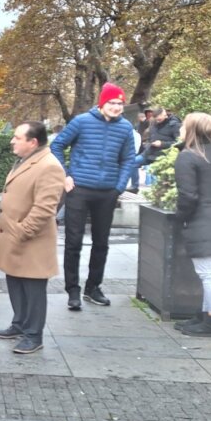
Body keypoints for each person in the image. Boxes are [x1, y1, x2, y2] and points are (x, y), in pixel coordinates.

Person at [51, 83, 135, 310]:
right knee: (73, 242)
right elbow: (57, 146)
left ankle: (93, 287)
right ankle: (73, 290)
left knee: (101, 243)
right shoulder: (81, 122)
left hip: (107, 192)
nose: (116, 107)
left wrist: (118, 187)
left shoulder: (125, 128)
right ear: (102, 103)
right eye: (112, 103)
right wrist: (65, 176)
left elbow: (128, 159)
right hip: (79, 190)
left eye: (120, 103)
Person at [0, 122, 66, 354]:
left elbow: (45, 209)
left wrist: (21, 231)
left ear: (33, 142)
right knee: (15, 283)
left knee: (33, 290)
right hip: (14, 237)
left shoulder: (49, 166)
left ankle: (33, 335)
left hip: (31, 241)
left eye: (17, 138)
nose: (12, 141)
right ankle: (19, 324)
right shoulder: (26, 160)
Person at [173, 113, 211, 338]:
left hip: (203, 222)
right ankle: (207, 315)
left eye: (183, 125)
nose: (180, 128)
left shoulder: (188, 157)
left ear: (191, 130)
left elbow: (188, 196)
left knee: (209, 274)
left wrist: (180, 217)